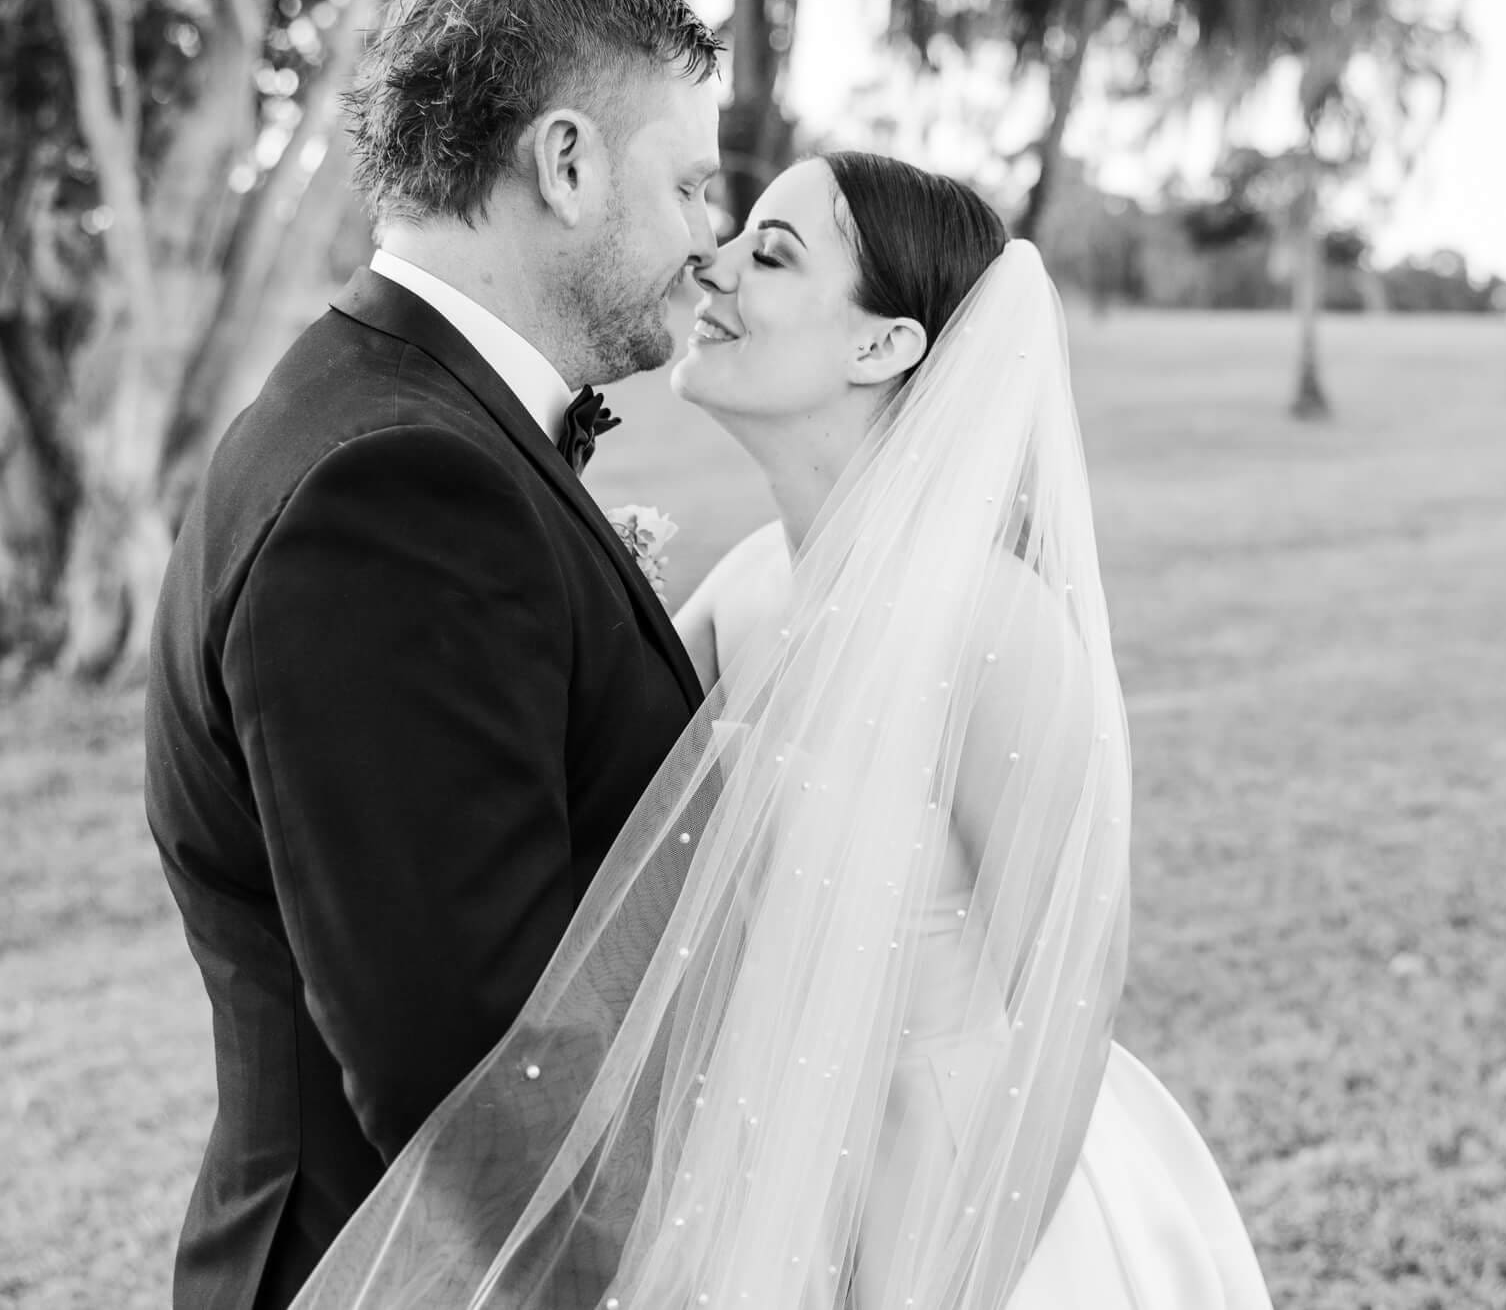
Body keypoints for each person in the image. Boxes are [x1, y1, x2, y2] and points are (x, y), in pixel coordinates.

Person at [290, 153, 1273, 1307]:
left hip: (963, 1186)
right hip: (771, 1170)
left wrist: (958, 1276)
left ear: (881, 345)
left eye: (774, 253)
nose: (715, 265)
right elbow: (593, 794)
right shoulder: (748, 589)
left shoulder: (991, 628)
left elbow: (1064, 1002)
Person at [141, 0, 722, 1306]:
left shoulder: (385, 407)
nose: (712, 231)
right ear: (566, 162)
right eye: (690, 180)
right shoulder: (398, 490)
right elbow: (468, 1065)